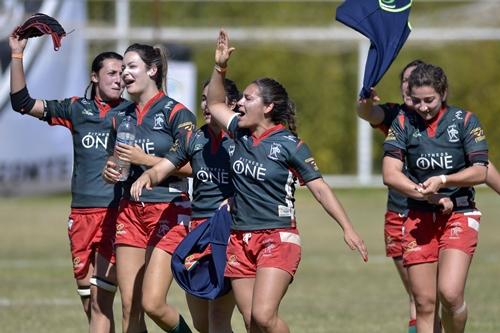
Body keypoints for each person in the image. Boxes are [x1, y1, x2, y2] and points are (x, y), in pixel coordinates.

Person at [206, 29, 368, 333]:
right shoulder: (238, 131)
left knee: (265, 317)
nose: (239, 102)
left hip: (277, 238)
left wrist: (348, 229)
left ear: (268, 107)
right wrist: (220, 67)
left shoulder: (289, 144)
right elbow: (215, 103)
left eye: (248, 98)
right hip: (240, 239)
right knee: (253, 322)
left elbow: (319, 188)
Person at [9, 33, 127, 332]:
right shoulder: (77, 109)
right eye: (111, 73)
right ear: (94, 77)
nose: (118, 79)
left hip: (116, 214)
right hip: (81, 215)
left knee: (103, 301)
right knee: (90, 301)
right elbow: (22, 102)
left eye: (121, 73)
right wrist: (17, 55)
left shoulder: (133, 113)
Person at [383, 63, 488, 333]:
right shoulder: (403, 122)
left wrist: (444, 181)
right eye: (416, 100)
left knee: (450, 295)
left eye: (429, 100)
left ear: (443, 93)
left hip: (459, 214)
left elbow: (480, 170)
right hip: (418, 216)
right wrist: (427, 195)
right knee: (424, 302)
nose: (423, 107)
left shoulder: (464, 121)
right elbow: (391, 174)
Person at [130, 78, 240, 333]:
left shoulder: (242, 140)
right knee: (203, 324)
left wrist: (235, 201)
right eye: (203, 99)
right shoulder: (193, 137)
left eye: (212, 98)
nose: (206, 104)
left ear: (231, 104)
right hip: (197, 233)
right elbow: (168, 164)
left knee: (219, 319)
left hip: (228, 232)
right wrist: (149, 175)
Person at [102, 43, 196, 333]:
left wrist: (146, 160)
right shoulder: (120, 116)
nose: (124, 74)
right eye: (121, 69)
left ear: (152, 70)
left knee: (152, 303)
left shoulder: (177, 113)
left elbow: (195, 167)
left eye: (131, 67)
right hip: (130, 211)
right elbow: (116, 164)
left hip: (169, 210)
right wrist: (110, 172)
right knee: (130, 307)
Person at [357, 60, 423, 333]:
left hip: (433, 213)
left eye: (415, 79)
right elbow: (367, 113)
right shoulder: (396, 115)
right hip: (398, 213)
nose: (408, 85)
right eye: (405, 80)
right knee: (417, 295)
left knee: (434, 295)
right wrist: (364, 100)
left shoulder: (449, 120)